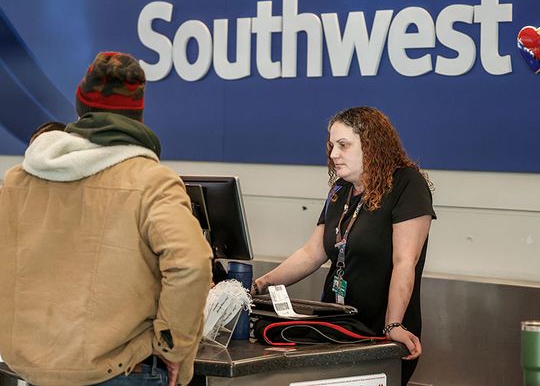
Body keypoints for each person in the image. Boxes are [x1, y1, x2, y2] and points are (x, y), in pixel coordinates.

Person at [0, 52, 213, 386]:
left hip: (32, 369)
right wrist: (172, 345)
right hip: (121, 369)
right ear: (137, 116)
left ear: (81, 110)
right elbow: (192, 265)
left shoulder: (17, 181)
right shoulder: (151, 181)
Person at [252, 106, 436, 386]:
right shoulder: (340, 190)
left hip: (376, 333)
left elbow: (404, 262)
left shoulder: (407, 185)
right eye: (331, 146)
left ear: (372, 145)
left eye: (343, 145)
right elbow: (312, 252)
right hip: (336, 328)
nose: (333, 154)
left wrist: (394, 325)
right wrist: (259, 284)